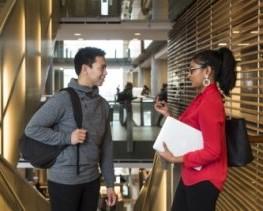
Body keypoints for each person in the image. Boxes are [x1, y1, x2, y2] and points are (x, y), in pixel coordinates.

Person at [25, 47, 117, 211]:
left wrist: (110, 184)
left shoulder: (103, 104)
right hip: (63, 181)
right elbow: (32, 129)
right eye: (102, 67)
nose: (106, 72)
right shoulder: (62, 99)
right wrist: (68, 138)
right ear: (85, 69)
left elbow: (106, 146)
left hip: (92, 180)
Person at [154, 47, 236, 211]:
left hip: (205, 179)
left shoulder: (210, 102)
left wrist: (175, 159)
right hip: (192, 174)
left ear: (207, 71)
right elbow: (190, 129)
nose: (189, 74)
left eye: (192, 70)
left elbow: (213, 151)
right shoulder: (202, 97)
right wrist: (167, 114)